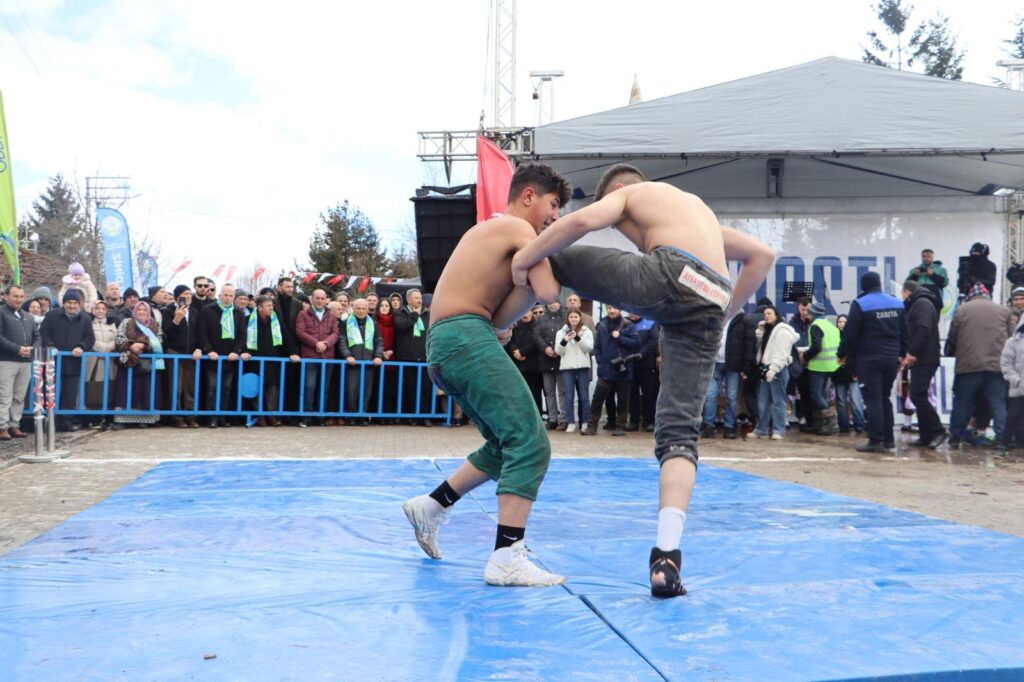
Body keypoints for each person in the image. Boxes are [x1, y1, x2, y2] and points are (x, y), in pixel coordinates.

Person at [511, 163, 774, 597]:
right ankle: (667, 558)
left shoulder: (633, 193)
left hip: (670, 274)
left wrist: (524, 258)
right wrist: (725, 313)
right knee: (679, 435)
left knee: (550, 257)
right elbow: (762, 255)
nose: (627, 234)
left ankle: (496, 323)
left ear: (617, 189)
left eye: (622, 227)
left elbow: (578, 223)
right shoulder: (700, 215)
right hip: (709, 302)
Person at [402, 162, 569, 587]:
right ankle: (507, 557)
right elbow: (548, 292)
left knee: (502, 444)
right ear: (528, 196)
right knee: (530, 443)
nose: (556, 217)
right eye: (553, 205)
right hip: (464, 335)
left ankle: (432, 506)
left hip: (449, 342)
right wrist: (560, 261)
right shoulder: (518, 228)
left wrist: (512, 303)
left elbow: (506, 311)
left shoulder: (490, 231)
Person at [837, 271, 908, 453]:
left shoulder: (861, 304)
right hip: (891, 358)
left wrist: (842, 354)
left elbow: (850, 334)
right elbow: (905, 331)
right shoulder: (896, 302)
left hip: (869, 359)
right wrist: (902, 354)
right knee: (884, 398)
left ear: (864, 286)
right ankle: (889, 440)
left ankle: (876, 440)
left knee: (873, 399)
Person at [945, 282, 1013, 452]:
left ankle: (955, 438)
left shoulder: (962, 310)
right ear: (987, 295)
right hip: (996, 367)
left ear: (971, 295)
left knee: (962, 403)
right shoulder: (1004, 311)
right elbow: (1011, 338)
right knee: (998, 404)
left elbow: (952, 337)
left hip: (968, 367)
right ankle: (1002, 440)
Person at [41, 290, 95, 432]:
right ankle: (51, 420)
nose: (72, 306)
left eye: (75, 303)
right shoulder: (52, 315)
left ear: (79, 304)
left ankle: (66, 421)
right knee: (51, 392)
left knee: (70, 393)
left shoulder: (85, 318)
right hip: (53, 362)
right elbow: (44, 333)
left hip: (74, 362)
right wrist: (50, 345)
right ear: (63, 303)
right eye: (69, 302)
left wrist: (81, 347)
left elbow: (90, 338)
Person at [196, 284, 247, 427]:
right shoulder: (207, 310)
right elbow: (202, 333)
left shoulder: (238, 313)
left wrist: (236, 351)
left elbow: (242, 335)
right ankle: (211, 417)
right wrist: (208, 350)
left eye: (231, 296)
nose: (228, 298)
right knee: (212, 387)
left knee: (226, 388)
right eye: (225, 295)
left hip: (230, 358)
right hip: (212, 357)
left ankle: (222, 416)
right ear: (219, 295)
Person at [902, 281, 945, 448]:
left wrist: (912, 351)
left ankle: (938, 430)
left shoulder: (921, 303)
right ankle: (925, 435)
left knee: (917, 395)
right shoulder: (921, 303)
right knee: (918, 394)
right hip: (923, 357)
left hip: (925, 357)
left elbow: (924, 329)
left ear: (907, 292)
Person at [585, 305, 640, 436]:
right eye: (609, 308)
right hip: (606, 369)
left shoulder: (628, 325)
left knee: (623, 400)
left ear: (619, 309)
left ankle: (620, 426)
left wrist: (620, 338)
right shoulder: (602, 324)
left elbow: (636, 344)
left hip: (623, 368)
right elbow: (597, 346)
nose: (612, 310)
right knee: (597, 399)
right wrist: (600, 362)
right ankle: (591, 427)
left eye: (614, 308)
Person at [245, 295, 300, 426]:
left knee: (272, 389)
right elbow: (242, 337)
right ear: (259, 308)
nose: (271, 308)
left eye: (272, 305)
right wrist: (243, 351)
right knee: (256, 388)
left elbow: (286, 338)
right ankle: (259, 416)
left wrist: (292, 352)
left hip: (272, 360)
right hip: (254, 360)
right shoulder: (248, 320)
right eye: (268, 305)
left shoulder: (276, 321)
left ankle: (272, 415)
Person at [114, 302, 166, 427]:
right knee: (126, 392)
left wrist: (143, 345)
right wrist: (131, 345)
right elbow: (119, 338)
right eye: (139, 309)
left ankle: (145, 420)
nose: (141, 312)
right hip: (129, 362)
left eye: (144, 310)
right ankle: (123, 420)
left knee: (146, 392)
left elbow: (159, 341)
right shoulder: (127, 322)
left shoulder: (154, 325)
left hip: (148, 364)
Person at [752, 306, 798, 440]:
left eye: (769, 313)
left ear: (776, 315)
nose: (767, 316)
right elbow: (763, 349)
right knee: (763, 401)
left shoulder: (782, 331)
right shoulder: (768, 330)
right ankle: (761, 430)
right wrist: (760, 332)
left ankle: (778, 430)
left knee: (778, 401)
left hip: (778, 369)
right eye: (765, 314)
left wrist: (774, 368)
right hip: (766, 368)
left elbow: (782, 352)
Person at [295, 288, 339, 427]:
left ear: (326, 300)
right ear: (312, 299)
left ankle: (320, 416)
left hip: (327, 357)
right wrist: (316, 343)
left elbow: (335, 333)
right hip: (310, 356)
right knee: (309, 387)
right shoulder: (303, 314)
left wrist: (326, 343)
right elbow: (300, 332)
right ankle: (306, 416)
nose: (320, 301)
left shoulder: (331, 315)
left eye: (322, 298)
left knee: (323, 388)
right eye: (317, 298)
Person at [338, 298, 384, 424]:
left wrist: (378, 356)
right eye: (358, 308)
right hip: (352, 363)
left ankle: (362, 416)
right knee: (351, 390)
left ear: (367, 309)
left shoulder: (373, 323)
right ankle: (352, 416)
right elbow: (342, 341)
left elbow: (379, 341)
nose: (361, 311)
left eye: (363, 308)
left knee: (366, 391)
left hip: (368, 363)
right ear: (353, 308)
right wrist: (347, 355)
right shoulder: (345, 322)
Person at [0, 285, 38, 439]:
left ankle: (14, 425)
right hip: (6, 361)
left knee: (19, 396)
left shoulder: (28, 317)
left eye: (21, 296)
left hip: (25, 361)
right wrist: (17, 349)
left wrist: (32, 349)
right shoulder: (1, 313)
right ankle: (2, 426)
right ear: (6, 296)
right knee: (4, 395)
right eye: (15, 296)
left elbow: (37, 336)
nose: (19, 299)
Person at [161, 285, 201, 428]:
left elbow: (200, 333)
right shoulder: (168, 311)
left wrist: (199, 349)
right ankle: (176, 416)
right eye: (185, 294)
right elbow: (165, 334)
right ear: (177, 297)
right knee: (176, 386)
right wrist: (176, 320)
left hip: (191, 354)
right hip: (175, 352)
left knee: (190, 387)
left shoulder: (195, 312)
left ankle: (190, 415)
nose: (188, 296)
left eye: (190, 294)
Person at [800, 301, 840, 435]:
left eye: (809, 312)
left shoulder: (815, 326)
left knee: (815, 395)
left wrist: (805, 356)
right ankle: (819, 423)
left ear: (813, 314)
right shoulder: (830, 326)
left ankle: (831, 421)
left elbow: (816, 347)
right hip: (831, 365)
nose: (807, 314)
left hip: (819, 365)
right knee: (821, 394)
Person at [393, 288, 432, 424]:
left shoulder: (427, 313)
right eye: (416, 298)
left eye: (420, 298)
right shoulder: (401, 312)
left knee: (425, 388)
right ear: (409, 300)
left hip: (424, 357)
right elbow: (401, 326)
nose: (419, 300)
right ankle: (411, 416)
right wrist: (414, 315)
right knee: (410, 388)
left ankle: (424, 416)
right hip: (407, 357)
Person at [555, 309, 594, 433]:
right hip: (567, 367)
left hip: (582, 366)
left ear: (580, 318)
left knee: (584, 397)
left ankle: (585, 422)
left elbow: (589, 348)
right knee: (569, 396)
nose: (573, 319)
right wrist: (564, 340)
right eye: (571, 317)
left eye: (576, 317)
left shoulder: (586, 331)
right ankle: (570, 422)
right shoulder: (561, 332)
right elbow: (558, 351)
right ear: (568, 318)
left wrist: (577, 338)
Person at [532, 299, 567, 430]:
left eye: (554, 302)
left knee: (563, 391)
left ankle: (564, 419)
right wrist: (545, 348)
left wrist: (557, 349)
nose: (552, 305)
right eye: (549, 303)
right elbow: (536, 336)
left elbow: (568, 333)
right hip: (546, 359)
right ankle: (552, 419)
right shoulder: (541, 319)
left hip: (561, 358)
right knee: (549, 391)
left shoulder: (565, 316)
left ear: (558, 303)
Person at [85, 300, 117, 429]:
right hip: (94, 360)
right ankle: (94, 418)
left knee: (110, 387)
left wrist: (109, 348)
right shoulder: (88, 324)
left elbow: (116, 340)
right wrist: (102, 349)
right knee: (94, 388)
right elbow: (90, 339)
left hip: (110, 361)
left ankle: (108, 418)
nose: (100, 311)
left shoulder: (112, 325)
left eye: (103, 309)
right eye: (97, 308)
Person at [832, 314, 866, 435]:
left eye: (844, 322)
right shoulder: (833, 336)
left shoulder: (854, 337)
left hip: (853, 373)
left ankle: (859, 425)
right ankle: (843, 426)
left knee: (855, 400)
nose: (842, 324)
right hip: (838, 374)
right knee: (841, 401)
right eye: (840, 322)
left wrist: (857, 371)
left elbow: (858, 355)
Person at [627, 313, 660, 432]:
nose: (632, 314)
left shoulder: (650, 322)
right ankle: (633, 422)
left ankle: (650, 421)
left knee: (649, 394)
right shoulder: (625, 323)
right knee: (632, 394)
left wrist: (641, 354)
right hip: (630, 364)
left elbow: (653, 341)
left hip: (646, 364)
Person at [509, 307, 545, 414]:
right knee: (519, 392)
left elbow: (536, 341)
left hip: (533, 365)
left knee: (534, 392)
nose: (525, 314)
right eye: (523, 311)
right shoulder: (515, 325)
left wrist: (522, 352)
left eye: (527, 311)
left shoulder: (537, 325)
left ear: (531, 313)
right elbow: (510, 340)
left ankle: (537, 414)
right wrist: (515, 351)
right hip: (517, 364)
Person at [375, 298, 399, 417]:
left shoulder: (395, 322)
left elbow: (399, 339)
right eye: (382, 305)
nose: (384, 308)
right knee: (377, 387)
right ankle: (377, 416)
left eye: (386, 306)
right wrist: (380, 353)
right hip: (377, 358)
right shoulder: (373, 321)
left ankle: (389, 415)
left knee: (390, 387)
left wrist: (391, 350)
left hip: (391, 358)